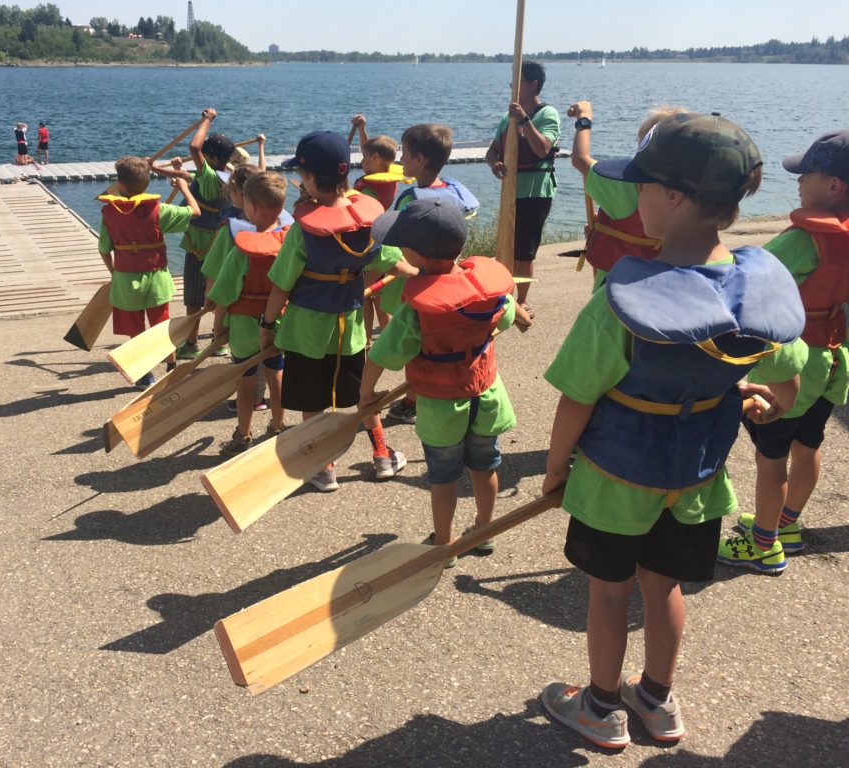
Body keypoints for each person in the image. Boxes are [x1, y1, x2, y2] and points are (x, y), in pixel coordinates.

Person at [538, 112, 807, 749]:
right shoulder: (758, 285)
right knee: (664, 587)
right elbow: (789, 374)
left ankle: (601, 708)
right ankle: (655, 701)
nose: (635, 198)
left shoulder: (621, 299)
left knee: (609, 593)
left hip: (613, 478)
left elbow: (577, 398)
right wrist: (762, 398)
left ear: (675, 197)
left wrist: (555, 471)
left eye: (644, 188)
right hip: (700, 476)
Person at [718, 129, 849, 574]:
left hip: (798, 364)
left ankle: (764, 544)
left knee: (770, 457)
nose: (797, 181)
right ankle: (787, 524)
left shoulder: (800, 241)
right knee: (809, 442)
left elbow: (746, 278)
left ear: (833, 185)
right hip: (836, 360)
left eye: (807, 174)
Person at [361, 199, 518, 567]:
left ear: (415, 255)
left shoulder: (417, 309)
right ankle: (483, 531)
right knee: (485, 466)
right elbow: (507, 315)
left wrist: (366, 394)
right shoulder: (486, 289)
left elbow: (383, 355)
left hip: (442, 407)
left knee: (444, 478)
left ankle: (443, 545)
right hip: (487, 396)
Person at [259, 131, 411, 492]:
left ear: (310, 179)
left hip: (306, 332)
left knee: (312, 402)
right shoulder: (369, 222)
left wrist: (267, 325)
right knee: (364, 395)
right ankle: (382, 455)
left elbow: (281, 285)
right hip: (352, 329)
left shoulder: (302, 231)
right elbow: (397, 261)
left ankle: (324, 467)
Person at [382, 123, 481, 425]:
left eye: (406, 154)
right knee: (439, 339)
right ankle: (421, 395)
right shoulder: (452, 192)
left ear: (421, 159)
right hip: (450, 276)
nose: (400, 160)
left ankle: (414, 399)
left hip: (421, 278)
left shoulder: (412, 199)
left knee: (417, 343)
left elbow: (395, 237)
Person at [97, 156, 200, 388]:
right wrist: (184, 187)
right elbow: (195, 212)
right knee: (162, 327)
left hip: (126, 280)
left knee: (136, 330)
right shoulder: (157, 209)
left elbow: (104, 248)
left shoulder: (108, 213)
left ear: (120, 185)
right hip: (156, 279)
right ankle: (172, 368)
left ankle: (145, 375)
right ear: (147, 184)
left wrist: (114, 272)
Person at [208, 171, 289, 455]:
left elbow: (224, 295)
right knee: (275, 375)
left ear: (250, 207)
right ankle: (278, 426)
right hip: (277, 323)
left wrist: (218, 330)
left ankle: (243, 434)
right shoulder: (287, 244)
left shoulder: (242, 250)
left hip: (243, 327)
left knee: (245, 384)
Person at [568, 100, 675, 290]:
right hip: (663, 282)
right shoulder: (688, 191)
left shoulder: (627, 185)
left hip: (615, 285)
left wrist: (584, 119)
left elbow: (580, 159)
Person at [485, 60, 560, 312]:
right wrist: (495, 163)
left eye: (517, 82)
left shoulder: (547, 114)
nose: (512, 86)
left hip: (535, 191)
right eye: (511, 81)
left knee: (524, 250)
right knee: (506, 244)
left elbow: (542, 149)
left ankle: (522, 300)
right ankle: (504, 294)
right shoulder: (508, 117)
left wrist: (525, 120)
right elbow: (491, 151)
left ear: (533, 85)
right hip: (511, 190)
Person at [176, 107, 236, 360]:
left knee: (193, 296)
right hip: (220, 245)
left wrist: (207, 120)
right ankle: (220, 340)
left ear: (210, 157)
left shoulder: (210, 176)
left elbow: (194, 147)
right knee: (219, 293)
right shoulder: (231, 175)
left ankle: (191, 344)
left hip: (199, 243)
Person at [349, 114, 400, 342]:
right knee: (376, 294)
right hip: (384, 239)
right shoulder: (384, 173)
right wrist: (362, 129)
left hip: (370, 243)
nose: (361, 160)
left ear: (376, 158)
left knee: (365, 294)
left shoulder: (370, 189)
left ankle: (367, 339)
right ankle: (386, 334)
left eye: (365, 157)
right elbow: (370, 150)